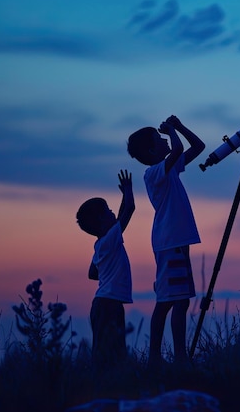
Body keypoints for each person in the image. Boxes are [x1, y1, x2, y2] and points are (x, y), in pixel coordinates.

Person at [127, 115, 205, 367]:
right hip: (170, 242)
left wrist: (180, 128)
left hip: (176, 241)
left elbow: (198, 147)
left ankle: (165, 356)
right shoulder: (154, 173)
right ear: (151, 150)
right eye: (158, 140)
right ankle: (168, 357)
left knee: (178, 299)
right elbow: (180, 148)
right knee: (171, 301)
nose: (165, 141)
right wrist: (172, 131)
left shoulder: (167, 170)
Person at [76, 169, 135, 370]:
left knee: (109, 351)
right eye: (108, 211)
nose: (112, 213)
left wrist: (108, 270)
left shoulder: (101, 244)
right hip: (108, 304)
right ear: (101, 221)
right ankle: (102, 386)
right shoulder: (109, 240)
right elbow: (129, 210)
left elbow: (92, 273)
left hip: (105, 302)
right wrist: (128, 191)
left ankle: (107, 383)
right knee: (110, 353)